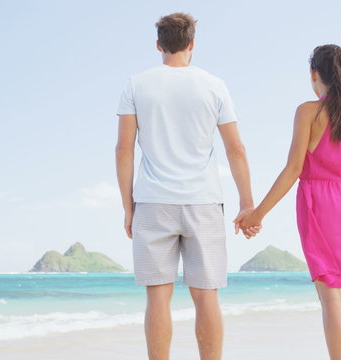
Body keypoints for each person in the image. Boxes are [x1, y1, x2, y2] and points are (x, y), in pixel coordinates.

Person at [115, 12, 257, 360]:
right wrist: (247, 203)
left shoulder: (136, 84)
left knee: (157, 297)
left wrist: (128, 207)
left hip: (152, 202)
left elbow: (124, 149)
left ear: (158, 45)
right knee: (206, 295)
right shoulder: (214, 85)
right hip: (203, 202)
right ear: (192, 44)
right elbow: (235, 148)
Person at [238, 44, 341, 360]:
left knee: (331, 298)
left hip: (321, 206)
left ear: (314, 75)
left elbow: (293, 169)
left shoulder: (308, 112)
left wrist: (258, 213)